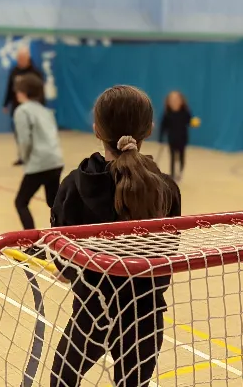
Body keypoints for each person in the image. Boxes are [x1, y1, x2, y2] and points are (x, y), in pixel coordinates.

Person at [49, 85, 181, 387]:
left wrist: (68, 270)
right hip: (145, 315)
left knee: (61, 381)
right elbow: (167, 249)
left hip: (93, 314)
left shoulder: (74, 184)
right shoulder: (166, 187)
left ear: (97, 130)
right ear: (149, 128)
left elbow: (63, 257)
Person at [13, 74, 63, 230]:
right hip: (55, 161)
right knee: (53, 203)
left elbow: (25, 141)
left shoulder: (22, 111)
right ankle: (63, 236)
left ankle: (32, 244)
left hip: (39, 162)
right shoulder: (45, 111)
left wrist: (24, 158)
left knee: (21, 202)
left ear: (22, 92)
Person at [3, 46, 44, 166]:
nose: (20, 60)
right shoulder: (14, 71)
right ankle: (22, 156)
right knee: (19, 132)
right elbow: (9, 88)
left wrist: (41, 106)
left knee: (33, 132)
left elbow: (41, 91)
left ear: (28, 58)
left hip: (33, 109)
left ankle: (35, 156)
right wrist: (6, 103)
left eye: (23, 58)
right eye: (18, 58)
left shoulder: (36, 73)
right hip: (17, 107)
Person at [159, 91, 192, 181]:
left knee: (181, 155)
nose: (174, 102)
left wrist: (192, 122)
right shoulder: (167, 114)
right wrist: (161, 138)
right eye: (172, 100)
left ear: (181, 101)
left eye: (177, 99)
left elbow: (189, 121)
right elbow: (163, 126)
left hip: (182, 138)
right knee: (172, 156)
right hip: (172, 139)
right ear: (168, 102)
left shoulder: (185, 112)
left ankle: (180, 171)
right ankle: (173, 175)